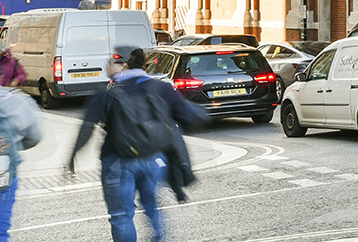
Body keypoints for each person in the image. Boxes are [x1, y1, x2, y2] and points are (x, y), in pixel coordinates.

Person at [67, 47, 206, 242]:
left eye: (110, 62)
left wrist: (72, 155)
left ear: (123, 65)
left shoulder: (106, 95)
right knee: (151, 203)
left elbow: (86, 128)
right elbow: (189, 116)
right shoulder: (160, 88)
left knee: (122, 215)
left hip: (117, 161)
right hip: (153, 159)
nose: (106, 66)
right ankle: (159, 238)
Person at [0, 50, 40, 241]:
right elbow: (34, 137)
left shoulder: (12, 61)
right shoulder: (18, 103)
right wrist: (14, 143)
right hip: (4, 173)